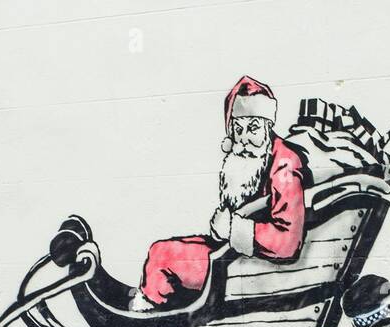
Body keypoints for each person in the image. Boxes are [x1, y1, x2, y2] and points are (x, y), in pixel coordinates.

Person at [131, 76, 308, 311]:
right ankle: (164, 305)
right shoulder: (251, 159)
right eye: (238, 130)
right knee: (162, 250)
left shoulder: (285, 163)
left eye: (253, 129)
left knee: (162, 256)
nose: (244, 140)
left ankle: (153, 312)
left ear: (267, 126)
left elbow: (288, 241)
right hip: (235, 256)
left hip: (253, 266)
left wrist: (234, 229)